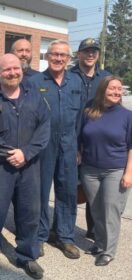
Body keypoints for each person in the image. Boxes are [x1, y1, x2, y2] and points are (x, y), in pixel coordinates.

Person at [0, 54, 50, 280]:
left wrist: (25, 154)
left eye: (15, 68)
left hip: (28, 166)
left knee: (29, 213)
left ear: (22, 70)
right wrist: (12, 154)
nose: (12, 73)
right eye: (6, 70)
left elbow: (44, 128)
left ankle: (27, 256)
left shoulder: (35, 98)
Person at [29, 39, 83, 259]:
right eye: (54, 54)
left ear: (69, 59)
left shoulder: (76, 82)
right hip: (43, 145)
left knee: (68, 191)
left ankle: (65, 237)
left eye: (63, 55)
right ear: (47, 56)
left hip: (69, 144)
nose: (58, 58)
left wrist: (79, 146)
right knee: (40, 192)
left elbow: (80, 118)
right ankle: (40, 236)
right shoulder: (34, 82)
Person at [79, 76, 132, 266]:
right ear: (103, 90)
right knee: (96, 210)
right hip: (90, 170)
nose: (116, 92)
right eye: (112, 89)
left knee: (111, 210)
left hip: (115, 170)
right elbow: (82, 138)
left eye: (119, 89)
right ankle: (100, 244)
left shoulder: (127, 116)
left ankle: (109, 251)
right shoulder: (90, 112)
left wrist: (129, 173)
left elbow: (131, 147)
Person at [70, 38, 111, 241]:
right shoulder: (68, 77)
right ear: (79, 54)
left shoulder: (106, 79)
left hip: (96, 142)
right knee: (68, 187)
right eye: (86, 51)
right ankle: (61, 229)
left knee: (96, 190)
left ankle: (93, 229)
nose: (91, 54)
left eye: (94, 51)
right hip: (70, 139)